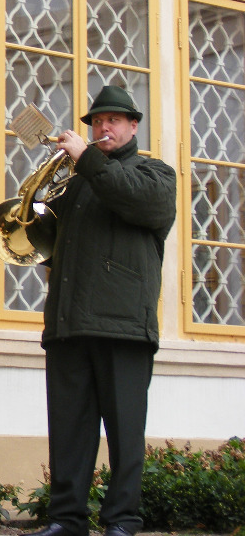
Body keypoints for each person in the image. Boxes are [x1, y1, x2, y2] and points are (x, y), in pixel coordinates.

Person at [29, 85, 176, 536]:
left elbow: (136, 200)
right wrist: (33, 211)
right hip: (69, 323)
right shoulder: (78, 182)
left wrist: (86, 161)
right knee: (69, 432)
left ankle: (122, 520)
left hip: (124, 326)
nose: (102, 127)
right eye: (97, 121)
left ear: (133, 126)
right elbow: (51, 245)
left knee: (125, 432)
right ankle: (67, 519)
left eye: (113, 120)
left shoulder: (155, 174)